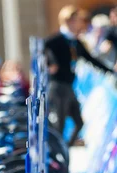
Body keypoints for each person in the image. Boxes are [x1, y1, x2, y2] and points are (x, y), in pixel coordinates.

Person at [45, 6, 114, 146]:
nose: (80, 24)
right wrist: (49, 63)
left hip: (68, 86)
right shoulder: (55, 40)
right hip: (58, 86)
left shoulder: (75, 42)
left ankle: (64, 149)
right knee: (60, 124)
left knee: (79, 122)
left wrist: (111, 71)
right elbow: (42, 51)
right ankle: (57, 157)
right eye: (76, 20)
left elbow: (91, 59)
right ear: (68, 21)